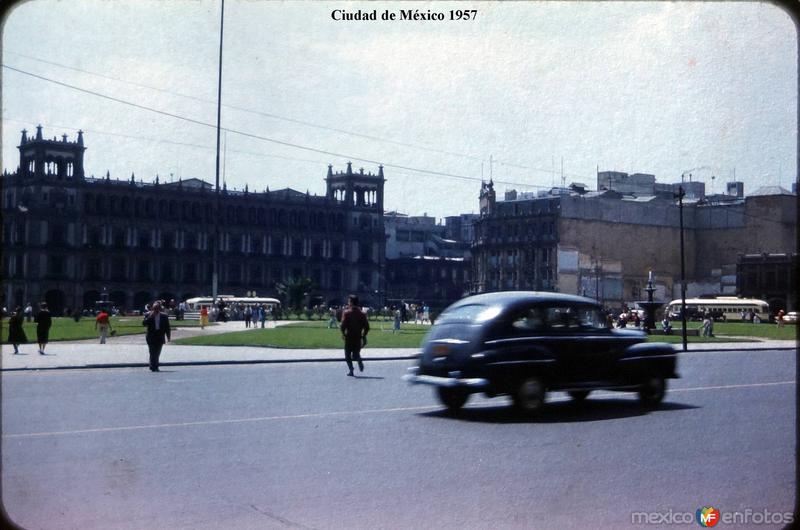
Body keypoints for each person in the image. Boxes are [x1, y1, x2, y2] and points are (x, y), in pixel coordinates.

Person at [340, 294, 369, 377]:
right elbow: (367, 327)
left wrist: (343, 334)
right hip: (358, 337)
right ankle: (358, 359)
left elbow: (343, 326)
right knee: (356, 353)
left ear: (351, 303)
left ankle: (351, 370)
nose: (348, 303)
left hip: (349, 337)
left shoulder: (347, 313)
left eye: (349, 301)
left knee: (347, 355)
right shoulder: (362, 314)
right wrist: (364, 336)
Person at [143, 301, 171, 372]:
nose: (156, 310)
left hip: (160, 336)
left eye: (158, 308)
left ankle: (153, 365)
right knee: (152, 352)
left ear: (160, 309)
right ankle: (154, 366)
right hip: (151, 336)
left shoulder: (164, 316)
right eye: (155, 308)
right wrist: (150, 316)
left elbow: (167, 327)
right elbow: (144, 323)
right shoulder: (148, 314)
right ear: (152, 308)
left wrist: (168, 337)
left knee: (157, 352)